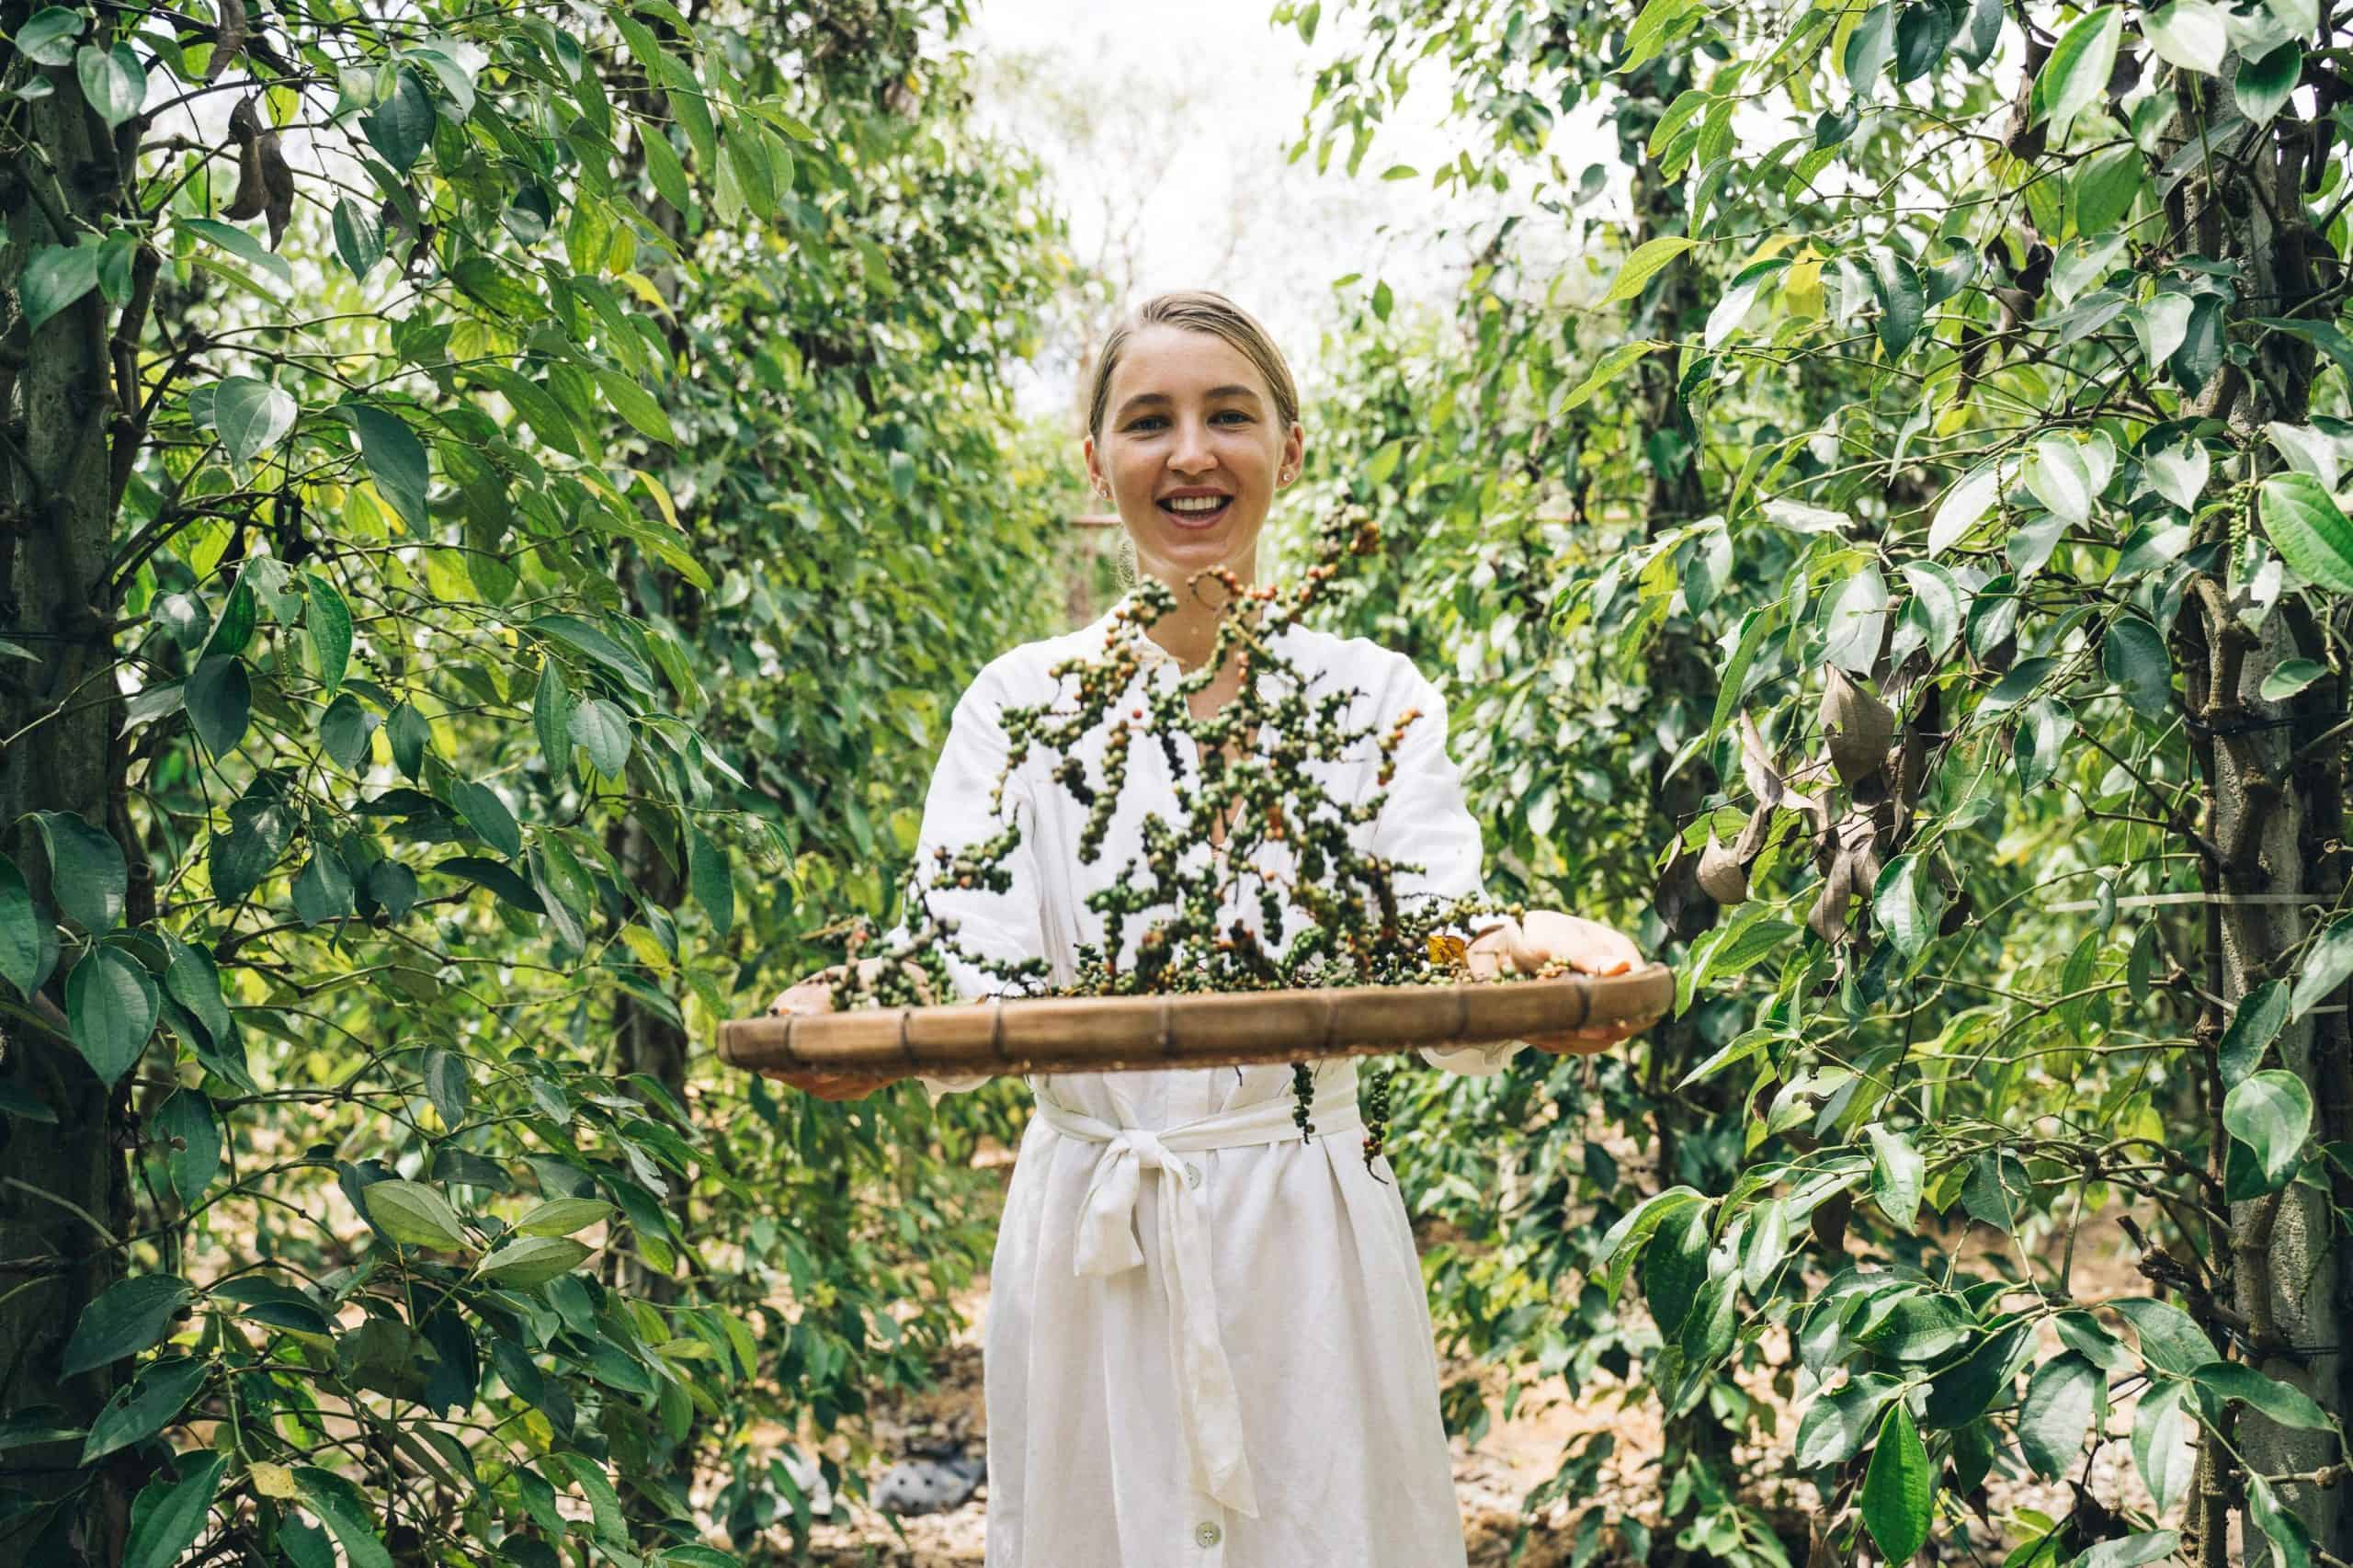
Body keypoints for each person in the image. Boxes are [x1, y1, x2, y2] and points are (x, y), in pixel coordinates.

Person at [765, 290, 1647, 1567]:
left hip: (1312, 1233)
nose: (1191, 452)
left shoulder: (1369, 697)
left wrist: (1532, 951)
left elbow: (1435, 934)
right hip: (1094, 1233)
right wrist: (865, 1019)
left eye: (1229, 414)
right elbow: (969, 970)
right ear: (1098, 462)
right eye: (1149, 420)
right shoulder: (1021, 706)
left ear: (1290, 448)